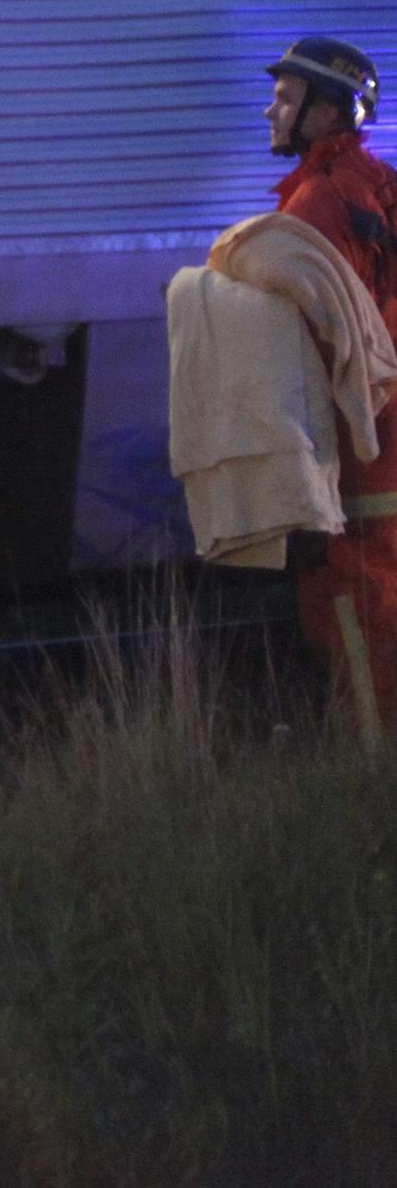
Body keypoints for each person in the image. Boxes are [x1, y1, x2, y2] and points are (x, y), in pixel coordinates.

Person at [261, 37, 397, 740]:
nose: (272, 110)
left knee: (358, 629)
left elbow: (318, 350)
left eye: (286, 98)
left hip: (360, 469)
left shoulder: (315, 206)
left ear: (324, 113)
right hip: (392, 461)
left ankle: (374, 801)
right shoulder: (379, 185)